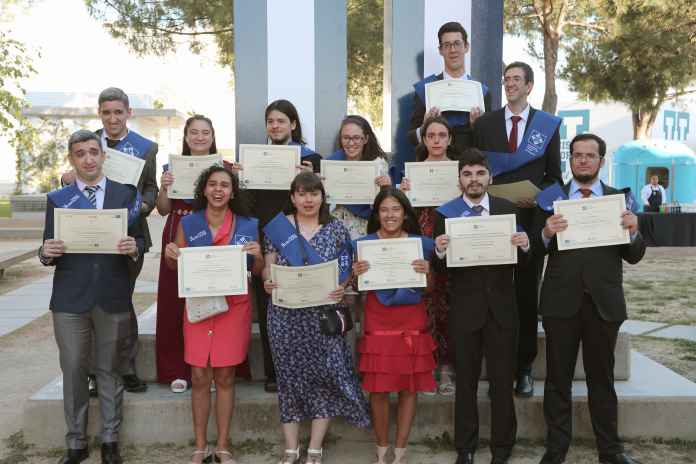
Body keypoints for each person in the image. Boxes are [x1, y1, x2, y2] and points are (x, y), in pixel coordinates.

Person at [531, 134, 645, 464]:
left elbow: (634, 255)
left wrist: (634, 232)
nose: (584, 160)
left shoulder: (620, 200)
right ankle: (555, 451)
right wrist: (546, 234)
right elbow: (532, 251)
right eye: (578, 155)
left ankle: (611, 452)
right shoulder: (550, 200)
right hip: (560, 301)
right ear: (570, 161)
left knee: (602, 381)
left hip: (603, 302)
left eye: (590, 156)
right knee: (557, 381)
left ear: (601, 161)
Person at [41, 129, 146, 464]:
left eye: (93, 152)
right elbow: (47, 249)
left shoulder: (126, 194)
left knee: (111, 369)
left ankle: (110, 441)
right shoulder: (58, 199)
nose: (88, 159)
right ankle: (76, 442)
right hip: (70, 298)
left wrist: (134, 247)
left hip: (113, 294)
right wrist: (46, 252)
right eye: (80, 153)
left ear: (103, 156)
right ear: (72, 159)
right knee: (73, 370)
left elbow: (141, 241)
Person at [262, 172, 371, 464]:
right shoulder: (277, 228)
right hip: (285, 315)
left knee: (324, 378)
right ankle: (291, 448)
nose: (307, 200)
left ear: (322, 196)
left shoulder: (336, 229)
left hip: (324, 315)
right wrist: (267, 281)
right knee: (288, 379)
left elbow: (346, 268)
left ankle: (315, 448)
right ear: (293, 197)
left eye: (313, 194)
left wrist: (342, 286)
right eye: (301, 194)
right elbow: (267, 267)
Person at [432, 148, 531, 464]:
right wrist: (438, 251)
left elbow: (524, 263)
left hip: (503, 310)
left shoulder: (508, 209)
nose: (473, 180)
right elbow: (442, 270)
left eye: (479, 173)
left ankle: (502, 450)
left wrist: (526, 246)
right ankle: (466, 449)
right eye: (467, 174)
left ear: (489, 176)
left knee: (503, 383)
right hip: (465, 311)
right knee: (466, 387)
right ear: (459, 179)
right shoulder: (444, 214)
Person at [471, 61, 563, 396]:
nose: (510, 84)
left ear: (529, 86)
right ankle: (496, 361)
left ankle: (523, 367)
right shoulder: (485, 123)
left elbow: (554, 177)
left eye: (516, 79)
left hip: (528, 223)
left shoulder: (547, 126)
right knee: (492, 289)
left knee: (525, 293)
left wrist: (537, 199)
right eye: (506, 79)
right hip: (492, 221)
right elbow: (476, 171)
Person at [164, 165, 264, 464]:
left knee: (225, 377)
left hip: (234, 307)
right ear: (204, 190)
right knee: (198, 376)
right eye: (212, 184)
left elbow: (255, 272)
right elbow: (176, 267)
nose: (218, 190)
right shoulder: (189, 223)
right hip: (199, 307)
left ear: (233, 192)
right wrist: (172, 256)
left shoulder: (247, 224)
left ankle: (222, 446)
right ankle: (199, 445)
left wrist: (257, 256)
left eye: (224, 185)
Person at [61, 87, 158, 395]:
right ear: (99, 114)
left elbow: (152, 188)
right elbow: (71, 180)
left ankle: (126, 368)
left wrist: (145, 204)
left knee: (120, 300)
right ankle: (92, 372)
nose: (112, 118)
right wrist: (64, 178)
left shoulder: (145, 147)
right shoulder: (88, 142)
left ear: (128, 112)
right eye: (106, 112)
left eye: (118, 111)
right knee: (89, 301)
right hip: (87, 234)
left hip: (127, 233)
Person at [232, 100, 322, 393]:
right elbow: (246, 205)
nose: (275, 126)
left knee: (304, 305)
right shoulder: (255, 158)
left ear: (293, 124)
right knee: (269, 305)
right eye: (270, 121)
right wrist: (239, 181)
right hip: (265, 241)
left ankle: (307, 368)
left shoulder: (312, 159)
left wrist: (313, 176)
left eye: (281, 121)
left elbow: (323, 201)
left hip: (301, 239)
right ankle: (273, 372)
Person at [156, 115, 250, 393]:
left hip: (218, 231)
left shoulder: (227, 168)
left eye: (205, 133)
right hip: (181, 229)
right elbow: (162, 209)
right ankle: (177, 370)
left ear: (212, 137)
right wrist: (163, 187)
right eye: (193, 132)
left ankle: (215, 366)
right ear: (185, 137)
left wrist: (244, 176)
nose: (199, 138)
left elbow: (242, 202)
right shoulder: (170, 167)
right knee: (176, 304)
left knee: (218, 295)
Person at [352, 188, 438, 464]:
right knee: (377, 390)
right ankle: (381, 450)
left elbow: (429, 290)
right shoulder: (362, 245)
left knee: (408, 388)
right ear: (377, 214)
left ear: (405, 213)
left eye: (396, 209)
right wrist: (356, 277)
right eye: (384, 210)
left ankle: (400, 452)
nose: (390, 215)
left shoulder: (421, 244)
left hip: (411, 319)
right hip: (378, 321)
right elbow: (358, 289)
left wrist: (429, 272)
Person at [323, 115, 391, 365]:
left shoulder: (379, 164)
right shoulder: (329, 164)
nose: (350, 143)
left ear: (366, 139)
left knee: (368, 301)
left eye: (356, 138)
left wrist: (388, 186)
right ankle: (350, 366)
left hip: (369, 232)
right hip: (339, 233)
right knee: (348, 300)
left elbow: (387, 204)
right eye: (345, 138)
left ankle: (371, 365)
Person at [399, 116, 459, 396]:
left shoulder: (462, 173)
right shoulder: (411, 174)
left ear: (450, 139)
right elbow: (402, 215)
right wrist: (403, 195)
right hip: (420, 241)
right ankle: (425, 366)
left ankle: (445, 367)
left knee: (448, 305)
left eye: (442, 135)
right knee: (425, 305)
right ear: (423, 139)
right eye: (431, 135)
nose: (436, 140)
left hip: (451, 240)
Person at [407, 21, 493, 154]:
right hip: (436, 167)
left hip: (469, 168)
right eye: (447, 45)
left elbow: (489, 141)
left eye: (457, 43)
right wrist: (424, 127)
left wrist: (477, 128)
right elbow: (411, 136)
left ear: (467, 47)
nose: (453, 50)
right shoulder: (425, 89)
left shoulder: (483, 93)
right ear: (440, 50)